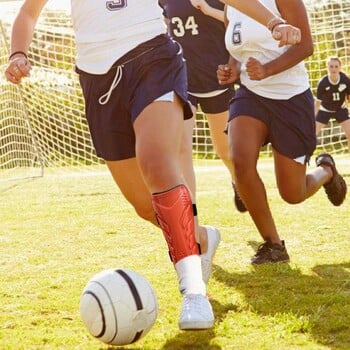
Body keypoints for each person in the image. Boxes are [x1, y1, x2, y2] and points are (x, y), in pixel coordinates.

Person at [4, 0, 302, 330]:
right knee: (146, 206)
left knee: (157, 162)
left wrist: (273, 22)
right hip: (97, 79)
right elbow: (28, 13)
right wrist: (18, 53)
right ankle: (200, 237)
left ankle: (194, 292)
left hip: (152, 57)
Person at [217, 0, 347, 264]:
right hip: (251, 94)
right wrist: (233, 69)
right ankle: (274, 245)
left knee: (292, 193)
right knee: (240, 162)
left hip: (290, 99)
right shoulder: (232, 5)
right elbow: (238, 51)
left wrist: (268, 70)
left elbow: (306, 46)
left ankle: (326, 171)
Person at [159, 0, 247, 213]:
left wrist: (209, 10)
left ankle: (238, 182)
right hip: (182, 80)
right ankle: (190, 215)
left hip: (216, 78)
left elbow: (238, 23)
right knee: (181, 148)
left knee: (224, 149)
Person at [315, 56, 350, 153]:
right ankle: (305, 156)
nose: (333, 69)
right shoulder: (322, 83)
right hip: (325, 110)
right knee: (311, 134)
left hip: (340, 109)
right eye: (331, 66)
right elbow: (318, 102)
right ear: (327, 67)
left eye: (336, 66)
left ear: (340, 67)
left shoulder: (345, 80)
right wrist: (312, 116)